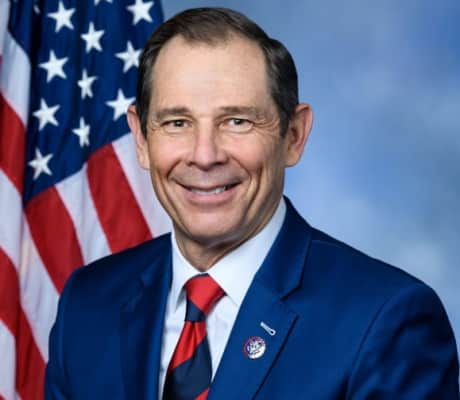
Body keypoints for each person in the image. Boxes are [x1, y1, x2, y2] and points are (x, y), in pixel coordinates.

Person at [45, 7, 459, 399]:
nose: (205, 155)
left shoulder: (386, 320)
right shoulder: (88, 304)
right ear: (141, 139)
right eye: (177, 123)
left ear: (293, 135)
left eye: (237, 121)